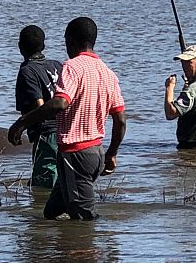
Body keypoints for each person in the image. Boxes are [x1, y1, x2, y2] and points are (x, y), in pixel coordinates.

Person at [8, 17, 126, 220]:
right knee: (50, 213)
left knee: (83, 221)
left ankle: (101, 250)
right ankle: (58, 251)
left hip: (75, 155)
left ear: (70, 40)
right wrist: (112, 153)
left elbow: (60, 103)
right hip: (96, 152)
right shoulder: (108, 73)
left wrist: (21, 123)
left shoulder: (72, 67)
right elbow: (121, 119)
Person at [15, 25, 62, 188]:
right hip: (67, 133)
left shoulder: (28, 70)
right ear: (43, 46)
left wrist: (20, 125)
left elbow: (39, 106)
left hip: (47, 137)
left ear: (20, 46)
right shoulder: (57, 65)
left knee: (44, 188)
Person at [165, 45, 196, 149]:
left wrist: (169, 87)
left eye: (189, 62)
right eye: (183, 62)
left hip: (193, 146)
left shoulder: (194, 88)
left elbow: (171, 113)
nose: (185, 67)